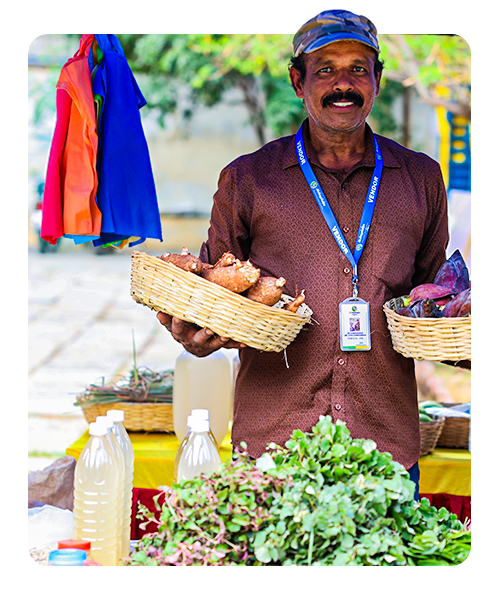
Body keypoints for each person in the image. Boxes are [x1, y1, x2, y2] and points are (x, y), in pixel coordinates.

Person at [157, 9, 454, 496]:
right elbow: (209, 294)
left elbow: (430, 302)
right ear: (298, 81)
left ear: (377, 80)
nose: (344, 83)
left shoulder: (421, 179)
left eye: (359, 68)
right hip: (274, 444)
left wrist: (462, 339)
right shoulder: (249, 179)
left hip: (385, 449)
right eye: (325, 69)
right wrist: (194, 332)